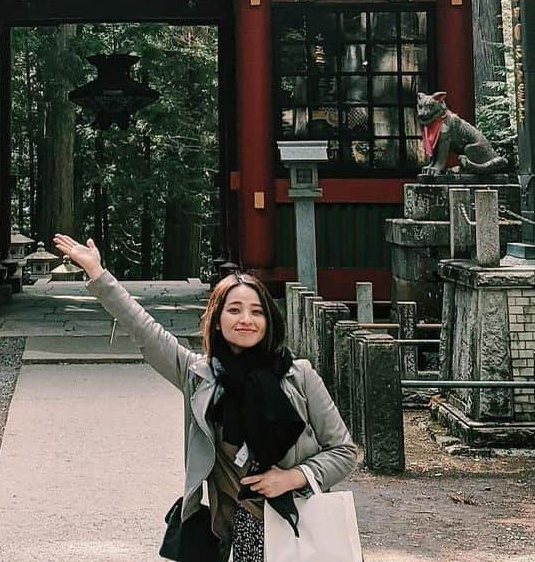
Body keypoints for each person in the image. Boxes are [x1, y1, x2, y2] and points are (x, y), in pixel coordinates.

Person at [52, 234, 357, 562]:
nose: (246, 320)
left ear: (269, 320)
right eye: (235, 310)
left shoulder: (299, 375)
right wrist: (98, 274)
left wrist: (292, 477)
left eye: (257, 312)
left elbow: (343, 451)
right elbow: (145, 331)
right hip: (235, 532)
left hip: (297, 524)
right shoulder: (198, 375)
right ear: (217, 318)